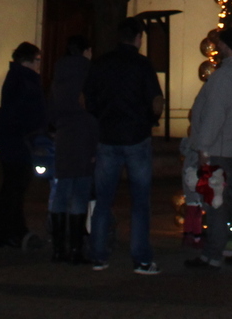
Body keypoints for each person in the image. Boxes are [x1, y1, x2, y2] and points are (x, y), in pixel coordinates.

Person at [82, 18, 165, 275]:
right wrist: (151, 121)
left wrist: (100, 116)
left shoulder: (101, 64)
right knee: (140, 202)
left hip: (108, 137)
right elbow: (156, 100)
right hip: (136, 137)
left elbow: (86, 98)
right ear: (139, 37)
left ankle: (98, 256)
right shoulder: (142, 64)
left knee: (103, 201)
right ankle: (140, 259)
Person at [183, 27, 232, 269]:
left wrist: (203, 147)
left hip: (217, 148)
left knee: (214, 202)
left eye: (221, 43)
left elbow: (215, 113)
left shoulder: (224, 76)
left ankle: (212, 254)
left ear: (226, 45)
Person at [0, 41, 48, 249]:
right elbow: (21, 111)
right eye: (38, 60)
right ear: (29, 60)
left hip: (14, 140)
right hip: (19, 142)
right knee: (15, 188)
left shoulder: (16, 78)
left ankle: (13, 232)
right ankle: (12, 233)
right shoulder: (24, 80)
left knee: (13, 188)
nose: (39, 65)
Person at [47, 34, 97, 263]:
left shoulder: (59, 73)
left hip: (65, 135)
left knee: (62, 191)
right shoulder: (89, 72)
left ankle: (59, 248)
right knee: (80, 193)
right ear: (86, 50)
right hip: (85, 136)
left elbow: (52, 106)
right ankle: (76, 247)